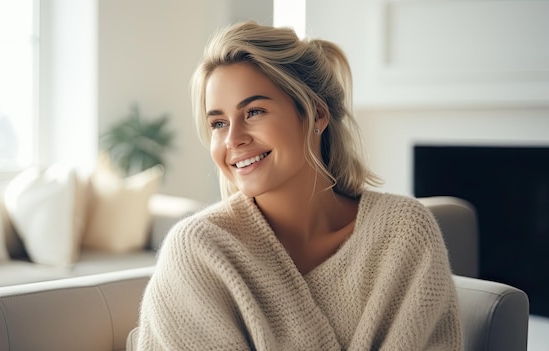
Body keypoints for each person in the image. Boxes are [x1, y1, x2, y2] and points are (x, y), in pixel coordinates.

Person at [134, 21, 462, 350]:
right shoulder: (198, 250)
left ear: (317, 114)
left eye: (254, 111)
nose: (233, 139)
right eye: (218, 123)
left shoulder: (403, 232)